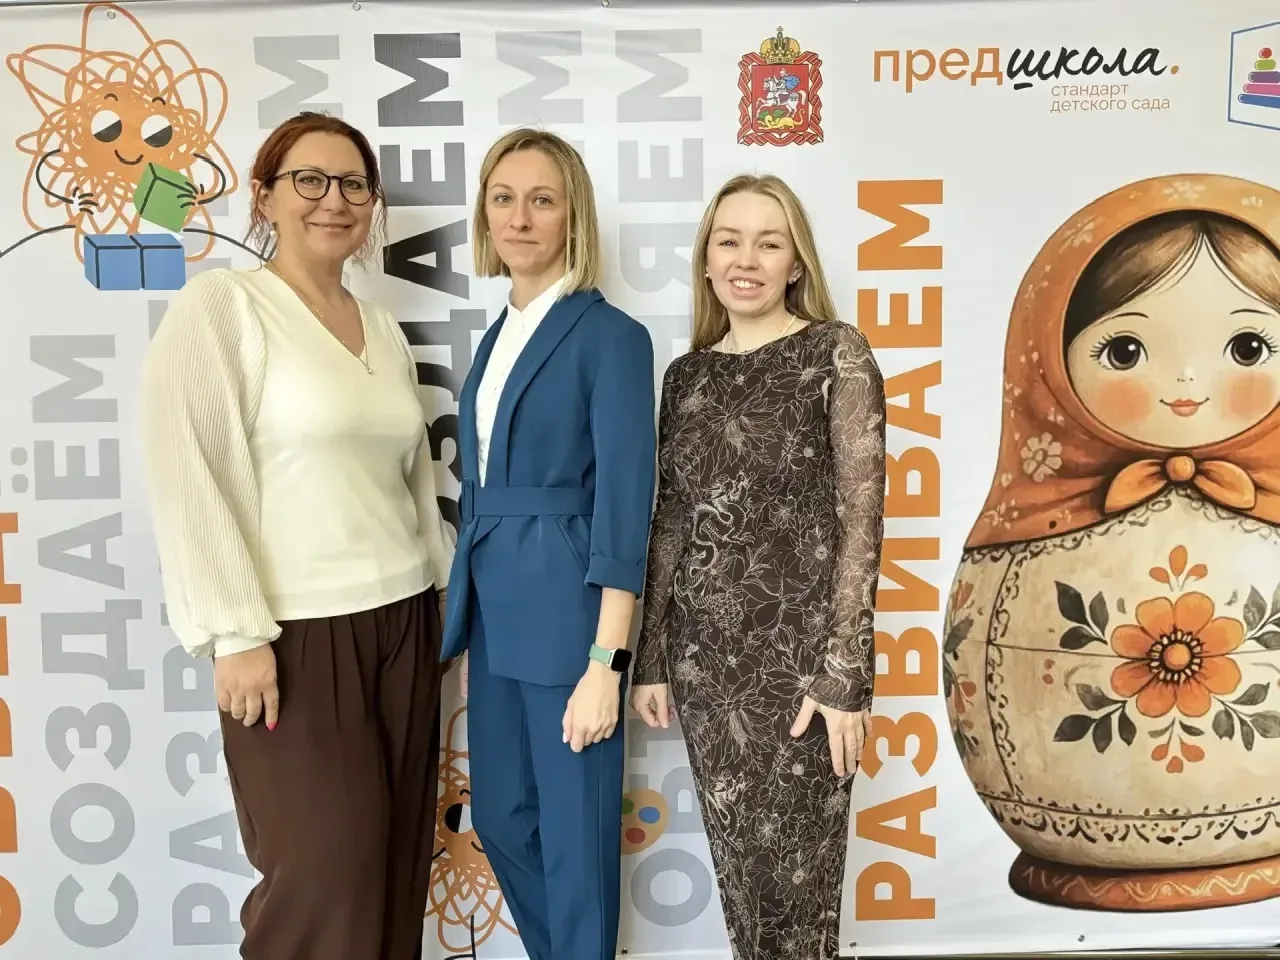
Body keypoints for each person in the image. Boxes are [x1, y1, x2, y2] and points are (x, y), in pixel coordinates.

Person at [139, 111, 454, 960]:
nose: (333, 200)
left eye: (353, 184)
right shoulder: (223, 308)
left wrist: (440, 595)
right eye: (308, 180)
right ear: (264, 196)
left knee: (393, 871)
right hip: (293, 635)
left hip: (404, 622)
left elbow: (412, 482)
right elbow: (190, 470)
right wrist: (233, 633)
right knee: (323, 876)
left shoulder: (380, 327)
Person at [630, 173, 886, 960]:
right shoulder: (686, 378)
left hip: (803, 670)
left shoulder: (833, 352)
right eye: (730, 241)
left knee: (795, 899)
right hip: (707, 671)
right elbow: (671, 522)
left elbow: (861, 516)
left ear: (795, 262)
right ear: (707, 260)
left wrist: (845, 673)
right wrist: (650, 658)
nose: (747, 260)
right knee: (745, 889)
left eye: (768, 243)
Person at [438, 127, 656, 960]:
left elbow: (626, 509)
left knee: (575, 838)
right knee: (500, 818)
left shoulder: (612, 337)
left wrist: (606, 662)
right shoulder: (496, 337)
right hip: (493, 616)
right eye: (503, 198)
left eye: (542, 200)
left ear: (574, 216)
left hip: (570, 616)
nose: (519, 218)